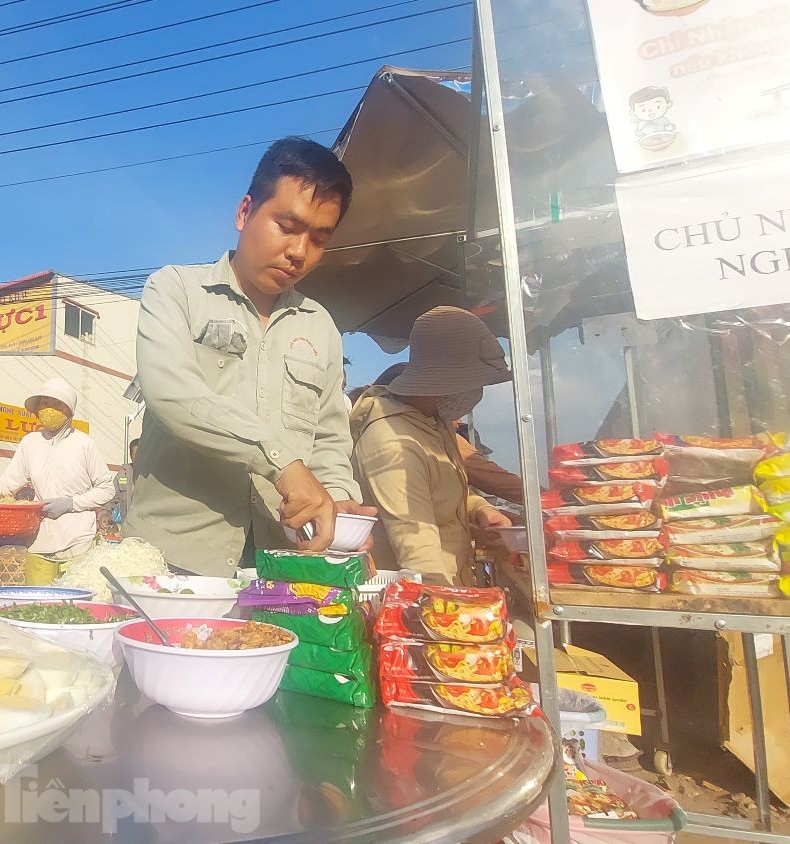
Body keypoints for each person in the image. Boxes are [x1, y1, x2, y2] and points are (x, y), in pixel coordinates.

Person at [125, 137, 371, 575]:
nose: (299, 252)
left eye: (318, 238)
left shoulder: (321, 327)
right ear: (244, 213)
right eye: (287, 226)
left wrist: (337, 498)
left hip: (287, 558)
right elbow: (172, 395)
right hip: (175, 561)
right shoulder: (175, 290)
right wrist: (282, 463)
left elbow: (330, 436)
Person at [349, 307, 513, 585]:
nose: (477, 393)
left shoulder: (434, 423)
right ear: (449, 381)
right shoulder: (392, 443)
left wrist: (480, 509)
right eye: (473, 382)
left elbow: (439, 492)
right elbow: (416, 551)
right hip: (423, 597)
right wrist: (449, 610)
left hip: (456, 582)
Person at [0, 378, 115, 561]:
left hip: (78, 543)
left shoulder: (84, 444)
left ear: (69, 410)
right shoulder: (30, 442)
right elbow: (7, 484)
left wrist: (71, 503)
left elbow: (106, 489)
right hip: (39, 542)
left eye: (57, 404)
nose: (49, 409)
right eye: (45, 403)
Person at [371, 363, 525, 505]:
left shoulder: (380, 426)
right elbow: (491, 476)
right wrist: (537, 498)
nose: (458, 418)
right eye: (447, 398)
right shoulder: (418, 436)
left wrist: (480, 510)